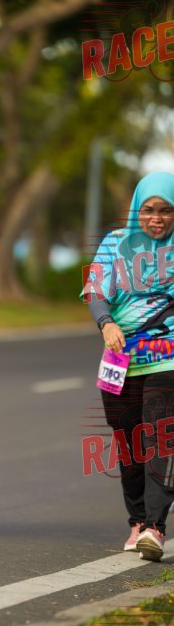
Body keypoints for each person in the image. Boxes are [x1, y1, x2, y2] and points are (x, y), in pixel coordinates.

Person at [83, 171, 174, 561]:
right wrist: (107, 323)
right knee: (129, 441)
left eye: (166, 211)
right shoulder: (116, 243)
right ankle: (137, 520)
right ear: (137, 209)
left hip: (168, 357)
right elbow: (95, 291)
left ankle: (155, 526)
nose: (157, 218)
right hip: (121, 359)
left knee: (160, 437)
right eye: (149, 210)